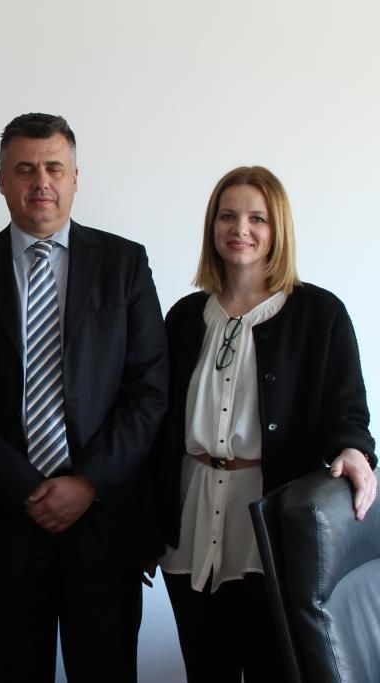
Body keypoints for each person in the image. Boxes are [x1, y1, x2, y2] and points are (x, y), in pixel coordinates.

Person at [0, 112, 169, 682]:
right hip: (3, 525)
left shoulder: (124, 265)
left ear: (75, 178)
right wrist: (26, 485)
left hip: (104, 524)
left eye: (53, 168)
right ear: (1, 180)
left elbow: (148, 390)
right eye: (24, 169)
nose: (40, 182)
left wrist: (87, 482)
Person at [151, 165, 377, 683]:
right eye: (227, 216)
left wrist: (352, 450)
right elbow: (156, 423)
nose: (240, 229)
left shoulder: (320, 314)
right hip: (190, 521)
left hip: (267, 524)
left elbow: (348, 412)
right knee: (205, 668)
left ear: (278, 229)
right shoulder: (185, 317)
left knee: (272, 668)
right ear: (212, 226)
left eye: (257, 218)